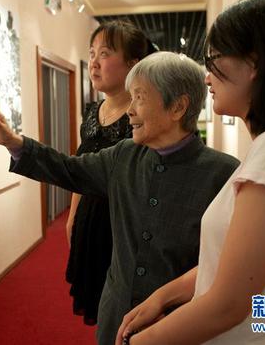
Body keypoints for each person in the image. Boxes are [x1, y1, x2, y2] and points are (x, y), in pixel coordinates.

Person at [115, 0, 265, 345]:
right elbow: (235, 266)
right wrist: (164, 296)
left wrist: (139, 342)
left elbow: (228, 305)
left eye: (215, 59)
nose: (207, 76)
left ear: (254, 63)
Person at [0, 51, 240, 344]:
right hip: (115, 314)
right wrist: (14, 142)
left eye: (139, 98)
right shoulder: (124, 155)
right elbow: (68, 169)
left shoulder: (224, 174)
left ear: (178, 107)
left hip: (181, 324)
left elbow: (227, 264)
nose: (130, 110)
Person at [65, 20, 155, 327]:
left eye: (104, 53)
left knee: (129, 305)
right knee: (101, 304)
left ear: (133, 64)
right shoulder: (93, 112)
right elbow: (83, 165)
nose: (93, 62)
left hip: (126, 221)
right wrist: (73, 214)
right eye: (91, 53)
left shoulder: (144, 111)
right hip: (92, 216)